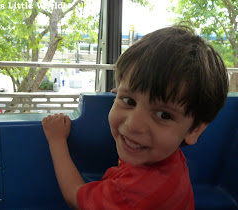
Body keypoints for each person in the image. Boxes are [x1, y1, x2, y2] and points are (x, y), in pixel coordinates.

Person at [42, 24, 229, 209]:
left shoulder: (134, 195)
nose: (133, 124)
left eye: (163, 114)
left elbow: (75, 197)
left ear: (195, 129)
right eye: (129, 101)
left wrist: (56, 140)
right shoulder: (167, 156)